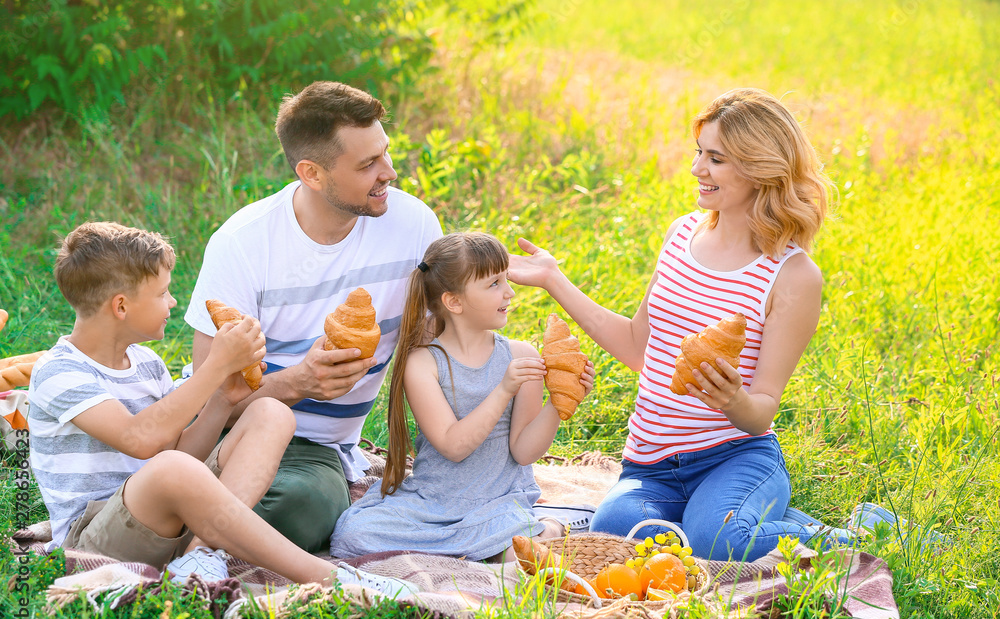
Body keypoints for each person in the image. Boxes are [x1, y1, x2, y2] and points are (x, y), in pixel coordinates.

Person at [508, 88, 857, 562]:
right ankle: (747, 520)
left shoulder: (793, 276)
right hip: (649, 463)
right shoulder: (681, 234)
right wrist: (554, 279)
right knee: (615, 532)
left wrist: (733, 400)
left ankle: (859, 533)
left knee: (719, 541)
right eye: (699, 153)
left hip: (735, 457)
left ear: (758, 168)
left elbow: (762, 411)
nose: (697, 169)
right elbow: (637, 347)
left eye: (716, 159)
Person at [185, 82, 442, 553]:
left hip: (315, 450)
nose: (389, 172)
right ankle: (184, 509)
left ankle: (174, 508)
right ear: (312, 173)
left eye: (384, 153)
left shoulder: (414, 226)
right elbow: (208, 400)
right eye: (367, 165)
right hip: (232, 430)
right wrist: (298, 382)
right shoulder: (243, 242)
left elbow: (433, 340)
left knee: (302, 506)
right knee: (294, 508)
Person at [28, 222, 336, 584]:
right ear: (121, 306)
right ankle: (329, 577)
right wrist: (215, 367)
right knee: (170, 467)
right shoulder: (59, 371)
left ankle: (201, 554)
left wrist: (221, 399)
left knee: (271, 412)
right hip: (97, 540)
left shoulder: (147, 364)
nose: (172, 302)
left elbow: (180, 453)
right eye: (163, 293)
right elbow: (139, 440)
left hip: (168, 526)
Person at [331, 232, 595, 561]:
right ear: (454, 302)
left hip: (498, 503)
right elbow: (453, 447)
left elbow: (524, 451)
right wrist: (503, 391)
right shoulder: (423, 363)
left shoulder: (519, 355)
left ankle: (552, 525)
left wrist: (560, 402)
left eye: (506, 280)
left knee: (521, 557)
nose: (509, 292)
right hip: (433, 501)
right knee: (353, 536)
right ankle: (501, 540)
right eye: (494, 284)